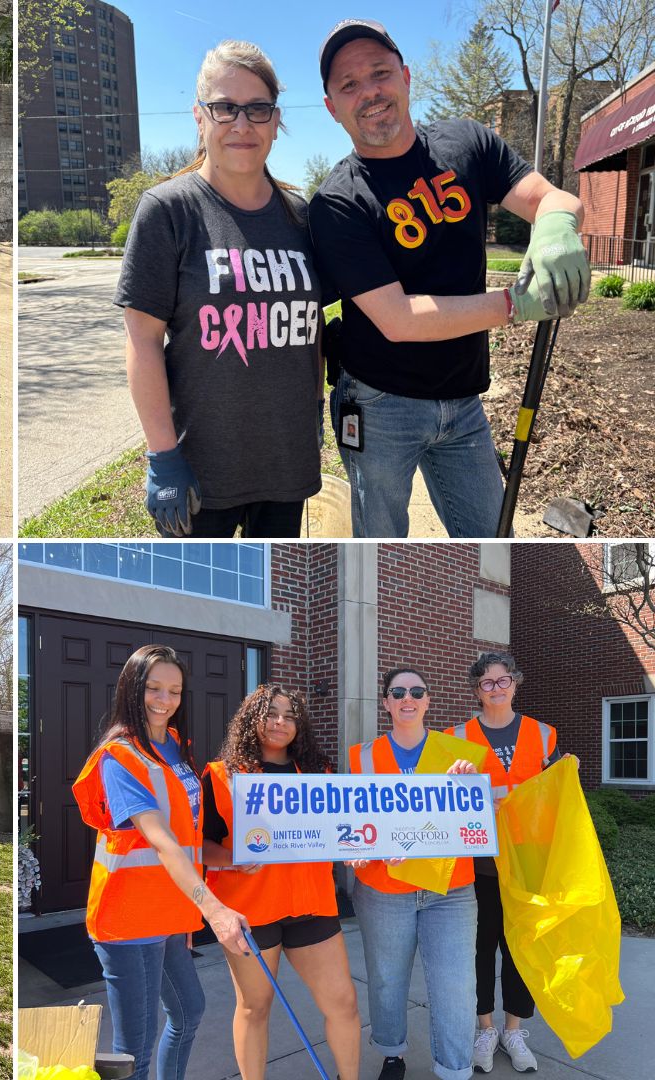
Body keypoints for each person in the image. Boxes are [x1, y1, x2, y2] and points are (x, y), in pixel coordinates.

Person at [311, 19, 589, 538]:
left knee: (491, 542)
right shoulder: (337, 202)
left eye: (379, 73)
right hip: (378, 404)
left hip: (463, 401)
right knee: (380, 551)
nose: (369, 92)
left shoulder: (468, 143)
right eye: (349, 85)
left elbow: (550, 196)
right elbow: (397, 319)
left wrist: (556, 223)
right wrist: (514, 304)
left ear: (406, 77)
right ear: (332, 107)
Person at [118, 42, 322, 538]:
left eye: (258, 109)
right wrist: (163, 456)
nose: (242, 123)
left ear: (276, 121)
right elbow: (142, 340)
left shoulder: (302, 217)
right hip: (199, 471)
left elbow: (313, 330)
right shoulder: (168, 211)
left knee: (274, 594)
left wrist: (316, 411)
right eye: (225, 107)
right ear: (199, 116)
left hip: (285, 463)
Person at [71, 643, 254, 1080]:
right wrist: (214, 908)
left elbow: (187, 837)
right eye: (154, 688)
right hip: (129, 918)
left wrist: (220, 868)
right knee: (135, 1051)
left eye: (174, 690)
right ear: (132, 689)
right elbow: (160, 839)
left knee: (190, 1012)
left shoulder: (174, 745)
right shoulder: (120, 757)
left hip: (170, 912)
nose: (164, 700)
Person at [200, 684, 361, 1080]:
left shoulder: (320, 774)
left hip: (311, 904)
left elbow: (341, 830)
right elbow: (196, 846)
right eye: (271, 713)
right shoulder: (220, 776)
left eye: (290, 716)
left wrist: (356, 845)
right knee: (255, 1007)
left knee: (343, 1003)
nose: (280, 722)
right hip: (250, 911)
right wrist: (232, 859)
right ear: (250, 720)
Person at [349, 667, 484, 1080]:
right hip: (384, 888)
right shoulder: (363, 755)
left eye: (417, 691)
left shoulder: (460, 753)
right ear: (386, 702)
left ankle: (455, 1069)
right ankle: (393, 1054)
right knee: (387, 980)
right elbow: (355, 818)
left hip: (451, 888)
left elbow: (484, 814)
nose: (408, 698)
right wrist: (357, 849)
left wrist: (469, 784)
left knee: (457, 985)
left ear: (428, 701)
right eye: (398, 692)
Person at [452, 651, 568, 1074]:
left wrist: (564, 771)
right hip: (478, 862)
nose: (496, 689)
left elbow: (557, 795)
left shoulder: (543, 734)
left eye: (503, 681)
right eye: (487, 683)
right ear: (476, 690)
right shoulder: (457, 736)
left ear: (516, 683)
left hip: (528, 859)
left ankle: (513, 1029)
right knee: (481, 947)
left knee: (520, 947)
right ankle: (484, 1027)